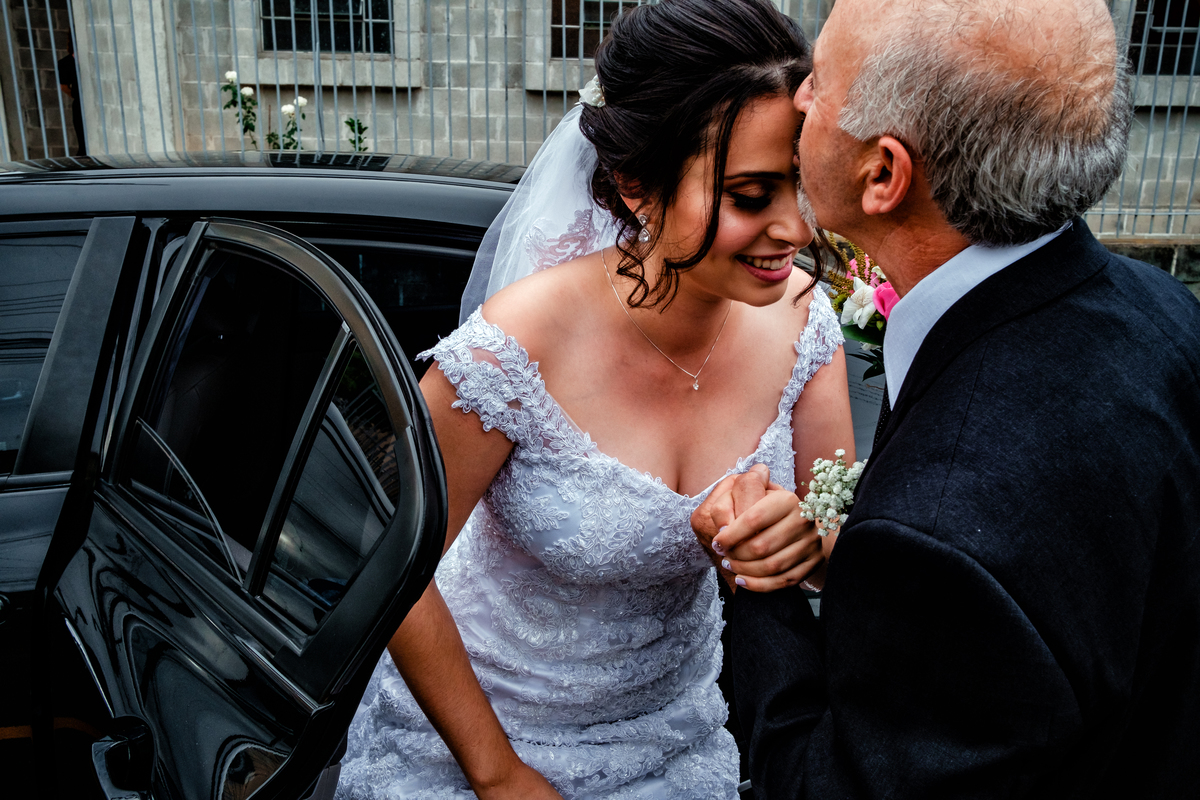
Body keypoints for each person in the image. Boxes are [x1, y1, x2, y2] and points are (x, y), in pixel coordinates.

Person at [335, 1, 854, 797]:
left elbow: (839, 538)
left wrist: (797, 544)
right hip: (476, 741)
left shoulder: (805, 322)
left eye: (801, 186)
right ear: (636, 185)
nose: (792, 230)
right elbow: (395, 566)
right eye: (752, 196)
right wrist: (498, 772)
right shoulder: (520, 344)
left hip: (672, 743)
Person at [693, 0, 1200, 796]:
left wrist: (763, 592)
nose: (795, 100)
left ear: (885, 174)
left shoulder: (944, 530)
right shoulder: (1166, 314)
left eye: (819, 84)